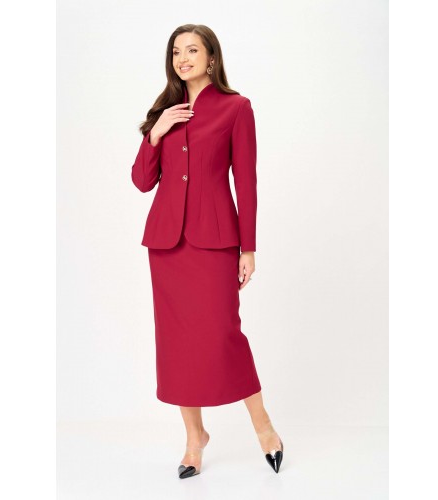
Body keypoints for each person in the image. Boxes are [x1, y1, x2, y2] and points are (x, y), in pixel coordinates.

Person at [131, 24, 284, 478]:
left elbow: (246, 182)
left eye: (192, 50)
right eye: (176, 52)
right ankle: (194, 437)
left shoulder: (236, 108)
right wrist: (155, 133)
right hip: (167, 245)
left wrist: (248, 248)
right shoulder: (164, 111)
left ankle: (264, 427)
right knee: (177, 342)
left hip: (215, 241)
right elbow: (142, 181)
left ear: (211, 57)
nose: (183, 58)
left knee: (224, 335)